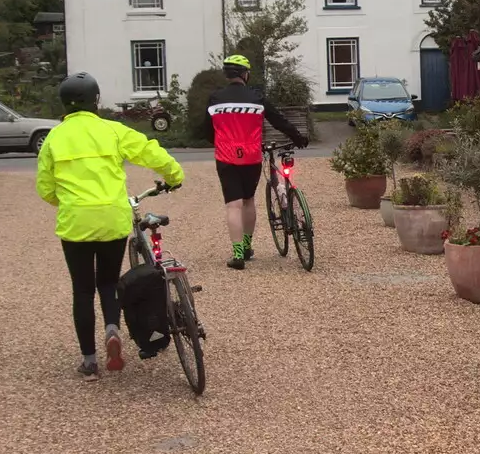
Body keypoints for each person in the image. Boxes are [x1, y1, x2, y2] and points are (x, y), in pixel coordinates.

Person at [36, 72, 185, 380]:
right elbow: (149, 151)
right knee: (107, 282)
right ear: (97, 100)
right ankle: (112, 330)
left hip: (76, 221)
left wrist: (67, 202)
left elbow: (45, 188)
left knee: (82, 289)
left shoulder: (54, 138)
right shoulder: (113, 131)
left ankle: (89, 362)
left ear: (64, 104)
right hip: (111, 219)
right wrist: (174, 175)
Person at [206, 54, 308, 269]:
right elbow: (279, 120)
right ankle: (247, 245)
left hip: (226, 156)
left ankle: (237, 255)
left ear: (227, 75)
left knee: (233, 205)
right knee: (248, 201)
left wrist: (219, 139)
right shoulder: (256, 98)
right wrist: (298, 138)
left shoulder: (215, 99)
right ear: (245, 74)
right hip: (251, 156)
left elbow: (205, 130)